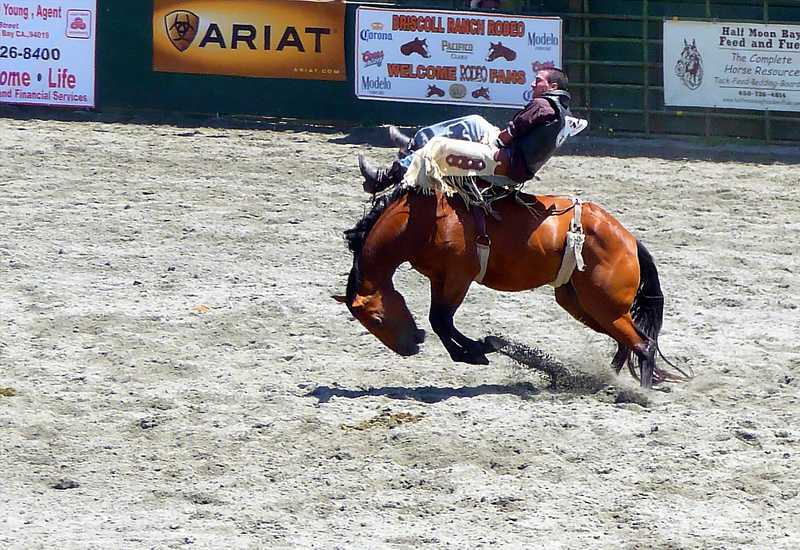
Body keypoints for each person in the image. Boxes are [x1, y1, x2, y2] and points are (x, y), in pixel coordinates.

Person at [358, 67, 585, 194]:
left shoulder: (543, 105)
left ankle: (385, 178)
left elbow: (514, 131)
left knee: (440, 147)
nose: (532, 85)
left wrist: (495, 141)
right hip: (516, 161)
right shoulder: (561, 110)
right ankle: (413, 146)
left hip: (506, 160)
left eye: (538, 81)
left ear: (552, 86)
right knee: (474, 122)